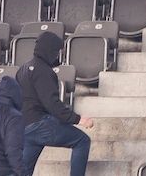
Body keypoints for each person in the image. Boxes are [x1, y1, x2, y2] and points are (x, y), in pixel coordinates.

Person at [18, 32, 93, 176]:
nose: (58, 55)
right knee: (82, 141)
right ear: (50, 50)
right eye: (57, 51)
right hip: (41, 125)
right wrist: (78, 119)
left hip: (24, 127)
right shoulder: (44, 71)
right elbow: (52, 104)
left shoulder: (23, 69)